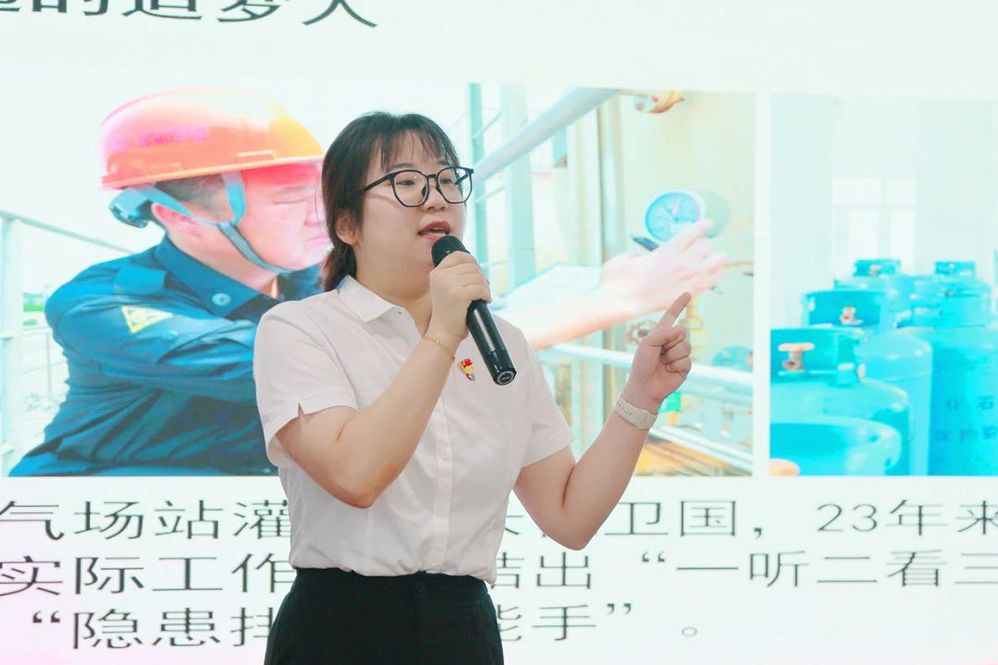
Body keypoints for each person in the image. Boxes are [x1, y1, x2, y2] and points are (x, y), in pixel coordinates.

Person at [11, 86, 722, 477]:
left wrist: (590, 286)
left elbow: (440, 324)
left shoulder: (309, 282)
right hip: (115, 507)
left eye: (322, 191)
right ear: (178, 216)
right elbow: (364, 357)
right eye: (292, 199)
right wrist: (609, 303)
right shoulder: (100, 304)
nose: (321, 212)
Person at [252, 112, 693, 664]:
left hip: (462, 630)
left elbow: (570, 517)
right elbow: (355, 475)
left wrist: (640, 399)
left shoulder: (501, 343)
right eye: (406, 182)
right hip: (340, 629)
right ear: (347, 224)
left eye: (446, 180)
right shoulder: (300, 328)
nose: (436, 198)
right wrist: (442, 332)